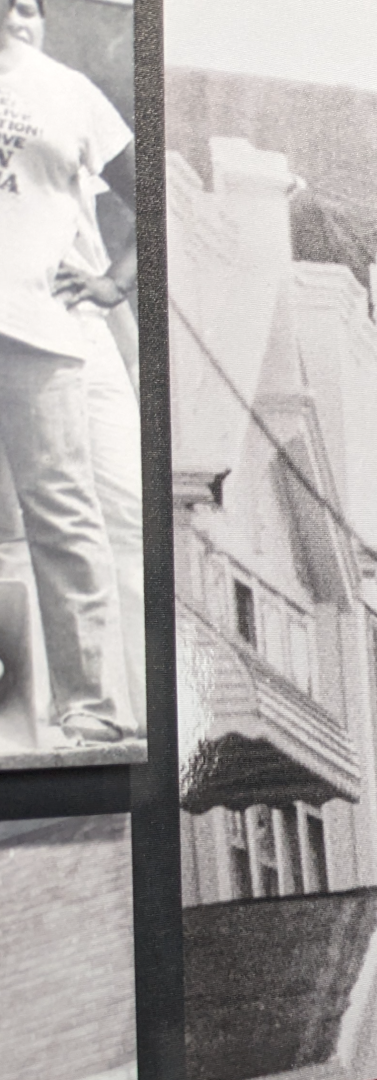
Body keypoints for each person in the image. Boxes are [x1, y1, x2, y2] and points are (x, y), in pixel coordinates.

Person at [3, 0, 144, 736]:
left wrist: (113, 283)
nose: (13, 12)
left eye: (28, 2)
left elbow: (147, 192)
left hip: (41, 325)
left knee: (65, 513)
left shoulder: (66, 91)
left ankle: (90, 706)